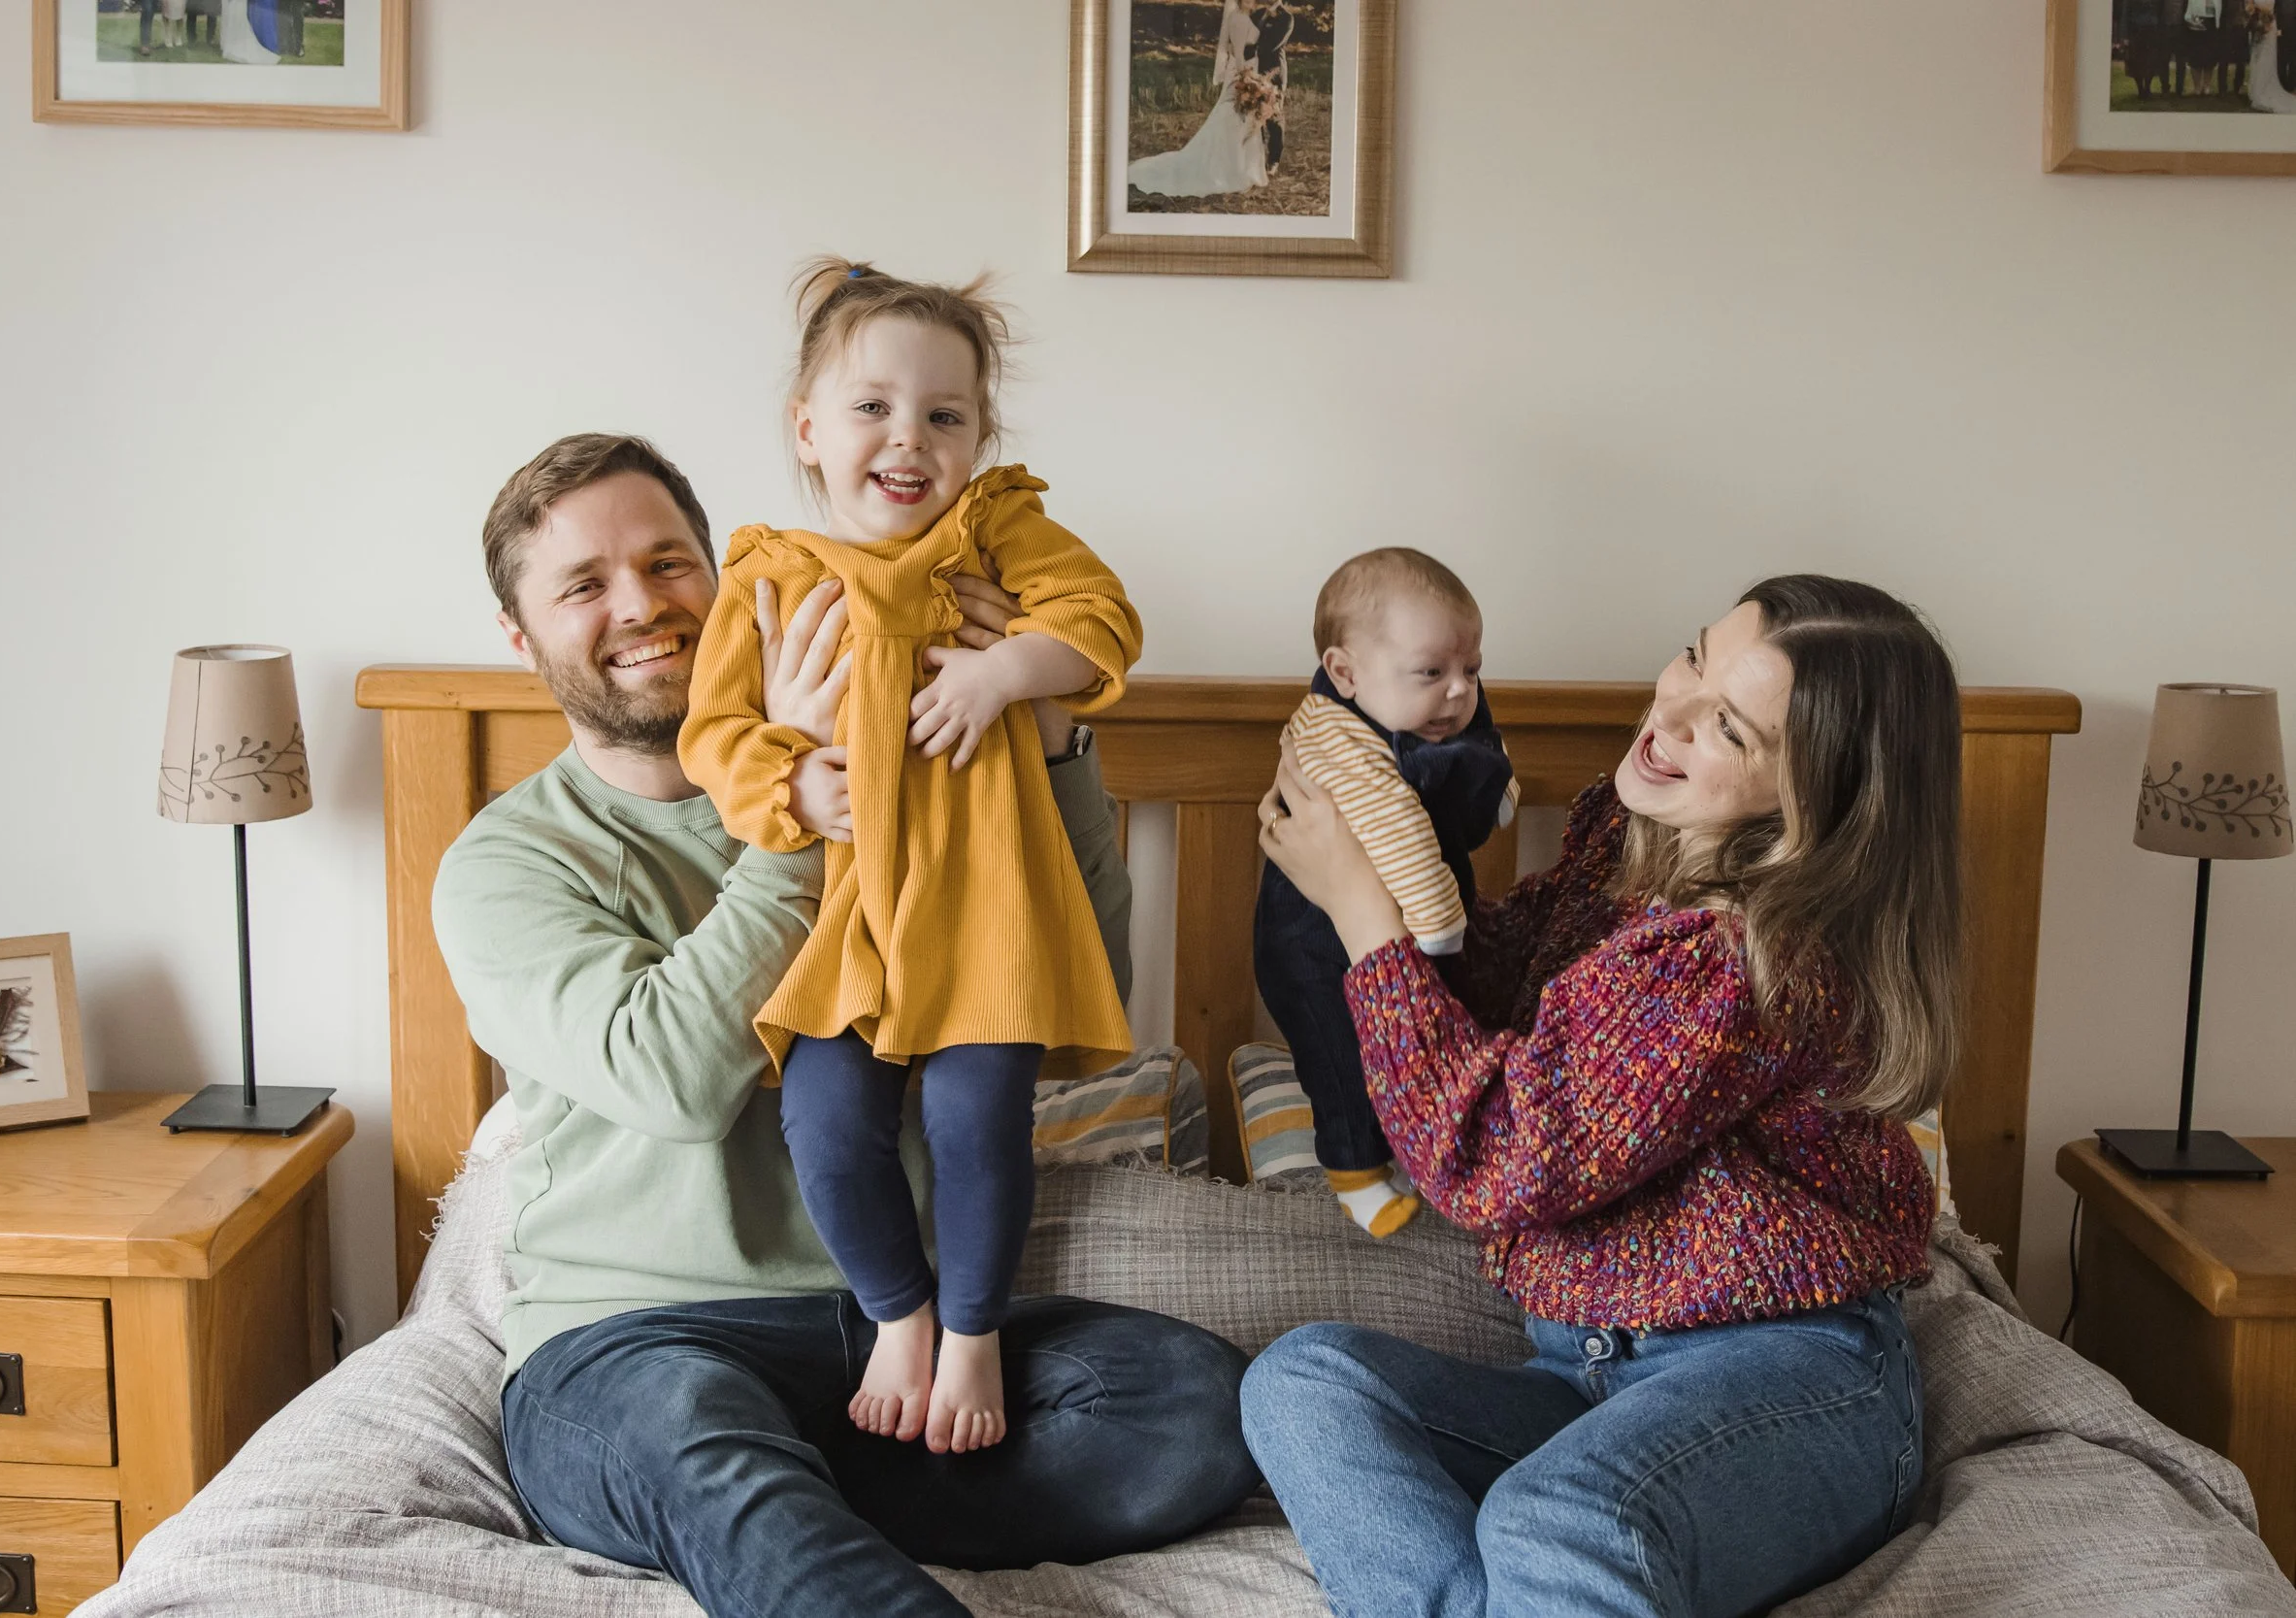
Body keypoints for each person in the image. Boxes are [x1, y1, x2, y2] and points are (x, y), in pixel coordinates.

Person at [436, 434, 1256, 1618]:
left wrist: (1047, 721)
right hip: (640, 1342)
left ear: (723, 581)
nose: (644, 607)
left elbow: (1069, 967)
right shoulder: (510, 860)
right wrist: (792, 815)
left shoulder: (916, 767)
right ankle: (796, 1534)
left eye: (671, 564)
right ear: (522, 636)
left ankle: (794, 1522)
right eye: (585, 584)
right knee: (687, 1439)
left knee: (1188, 1400)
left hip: (900, 1339)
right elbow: (670, 1075)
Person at [1242, 575, 1954, 1617]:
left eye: (1727, 728)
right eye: (1694, 658)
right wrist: (1387, 842)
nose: (1666, 716)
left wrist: (1362, 914)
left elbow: (1494, 1155)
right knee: (1304, 1381)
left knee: (1558, 1515)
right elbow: (1490, 990)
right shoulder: (1626, 857)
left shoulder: (1750, 958)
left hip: (1789, 1379)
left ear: (1816, 795)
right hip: (1587, 1375)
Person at [678, 260, 1140, 1457]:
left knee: (979, 1116)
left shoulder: (996, 536)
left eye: (945, 415)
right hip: (852, 925)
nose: (908, 437)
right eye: (873, 406)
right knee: (827, 1124)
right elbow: (715, 735)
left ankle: (976, 1327)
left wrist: (1004, 670)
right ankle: (901, 1309)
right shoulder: (770, 578)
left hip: (986, 908)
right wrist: (790, 778)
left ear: (980, 436)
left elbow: (1097, 619)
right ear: (809, 429)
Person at [1252, 548, 1513, 1238]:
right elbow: (1402, 837)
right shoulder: (1339, 740)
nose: (1459, 691)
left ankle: (1409, 1141)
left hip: (1394, 941)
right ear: (1345, 672)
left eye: (1473, 668)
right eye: (1433, 671)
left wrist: (1499, 790)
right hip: (1315, 943)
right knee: (1339, 1055)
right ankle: (1355, 1169)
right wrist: (1438, 936)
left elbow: (1484, 751)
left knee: (1407, 1044)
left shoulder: (1415, 711)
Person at [1128, 0, 1271, 199]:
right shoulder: (1238, 19)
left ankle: (1244, 169)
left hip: (1248, 70)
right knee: (1233, 115)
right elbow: (1238, 54)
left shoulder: (1245, 17)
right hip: (1241, 75)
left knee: (1241, 117)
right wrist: (1250, 81)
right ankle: (1228, 171)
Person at [1251, 0, 1295, 175]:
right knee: (1255, 114)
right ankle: (1258, 158)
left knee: (1274, 117)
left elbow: (1273, 45)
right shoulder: (1258, 14)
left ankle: (1274, 160)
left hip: (1275, 72)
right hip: (1255, 70)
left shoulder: (1287, 18)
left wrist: (1252, 46)